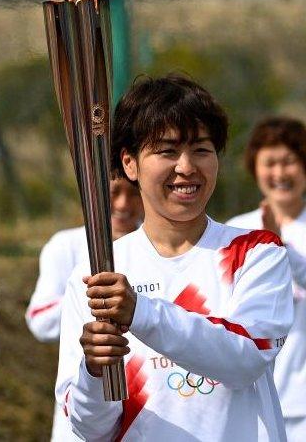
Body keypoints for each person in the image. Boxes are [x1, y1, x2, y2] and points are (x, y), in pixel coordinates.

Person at [56, 74, 293, 441]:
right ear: (130, 164)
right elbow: (90, 428)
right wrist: (94, 370)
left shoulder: (255, 253)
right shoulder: (95, 275)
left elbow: (245, 359)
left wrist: (140, 312)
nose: (186, 167)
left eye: (201, 149)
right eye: (167, 151)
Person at [26, 177, 142, 440]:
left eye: (134, 193)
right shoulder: (66, 245)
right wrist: (90, 300)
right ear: (95, 192)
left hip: (144, 404)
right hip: (84, 407)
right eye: (114, 192)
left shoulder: (156, 249)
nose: (123, 204)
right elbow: (39, 321)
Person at [227, 116, 306, 440]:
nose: (280, 173)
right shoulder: (237, 230)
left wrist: (278, 244)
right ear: (255, 167)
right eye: (270, 163)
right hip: (251, 401)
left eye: (289, 161)